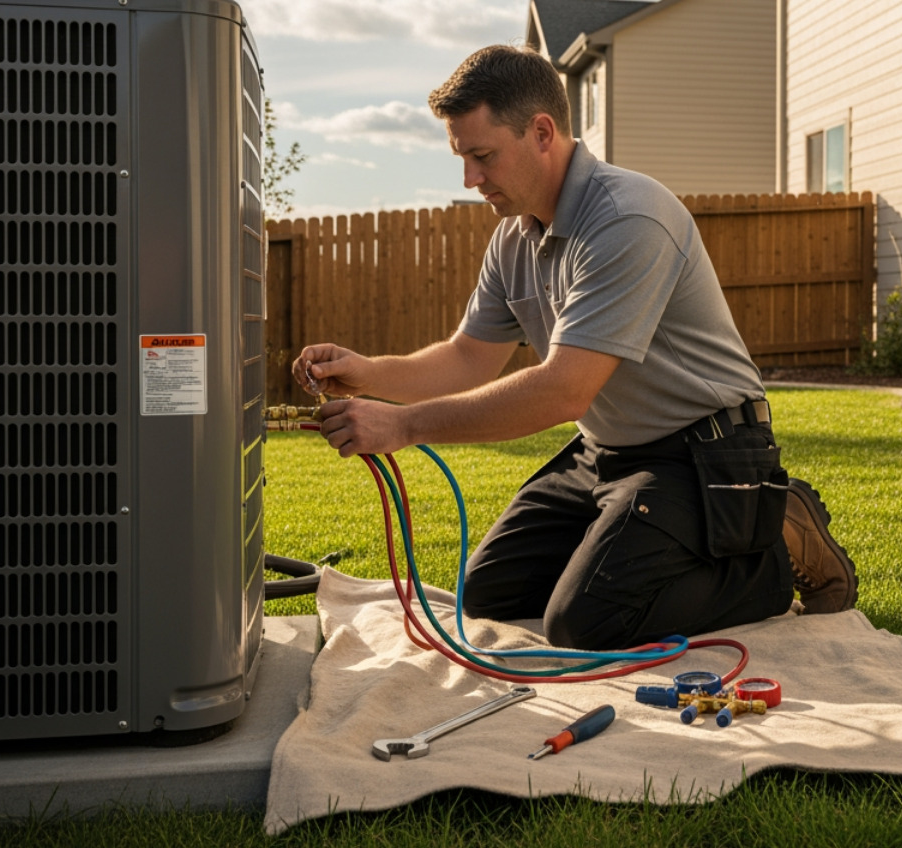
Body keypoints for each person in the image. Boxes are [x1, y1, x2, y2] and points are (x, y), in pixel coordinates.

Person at [293, 45, 856, 650]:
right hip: (606, 450)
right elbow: (467, 358)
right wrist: (366, 373)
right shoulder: (515, 237)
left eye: (482, 157)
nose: (470, 180)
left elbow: (564, 389)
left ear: (541, 132)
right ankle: (644, 546)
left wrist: (403, 427)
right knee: (489, 594)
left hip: (703, 452)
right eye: (463, 159)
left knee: (586, 624)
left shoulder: (626, 217)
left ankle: (772, 545)